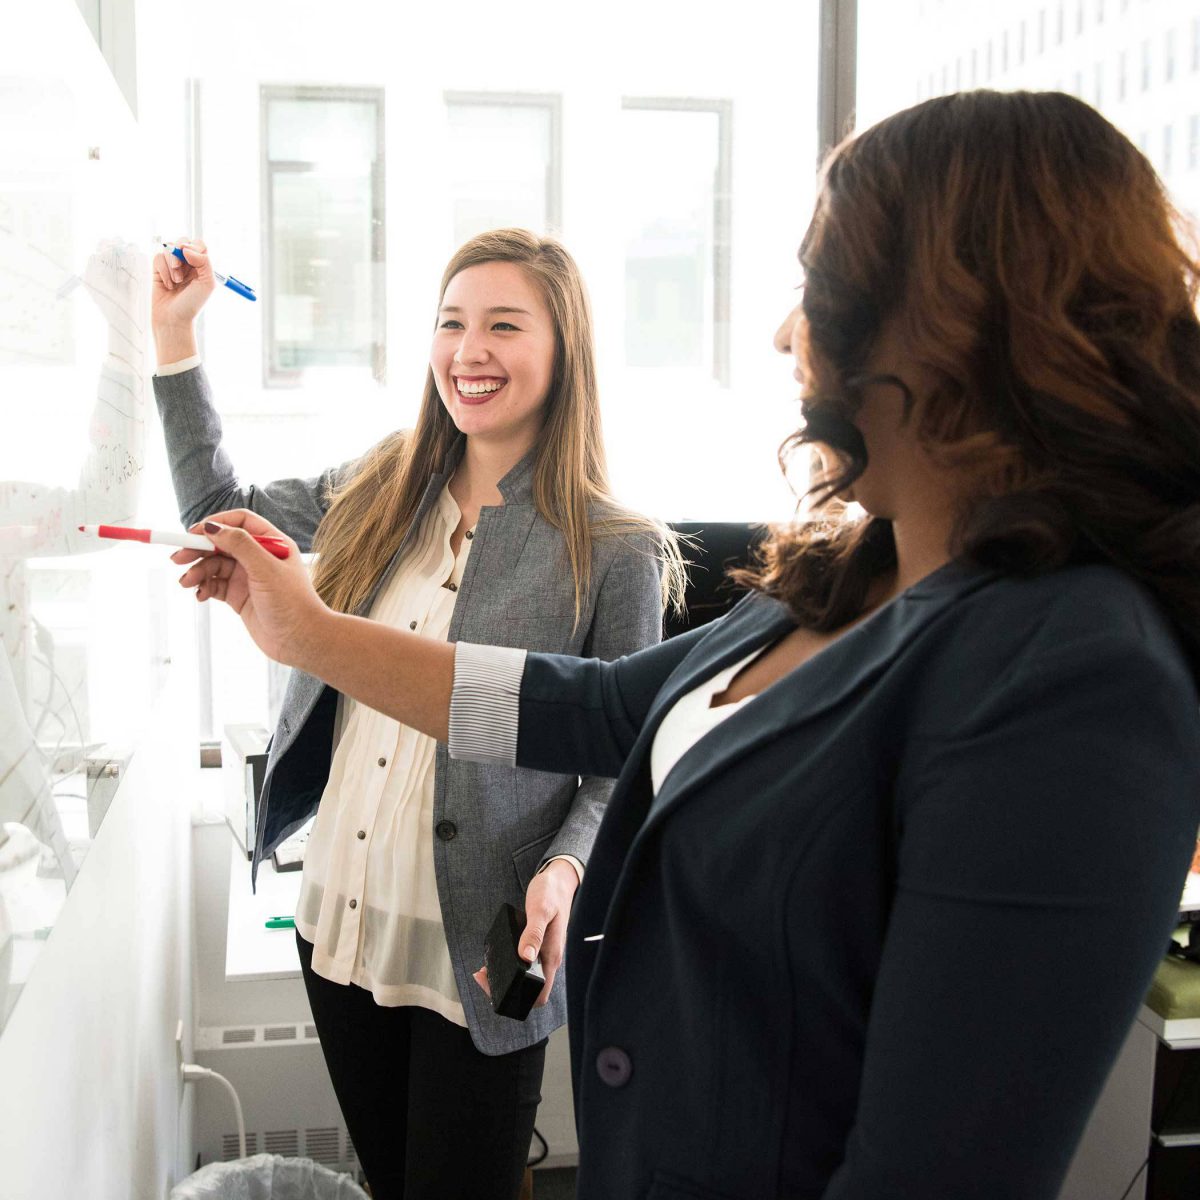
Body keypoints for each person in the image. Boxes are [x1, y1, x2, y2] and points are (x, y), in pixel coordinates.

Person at [173, 92, 1200, 1200]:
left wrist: (557, 863)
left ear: (954, 317)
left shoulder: (1074, 676)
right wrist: (312, 634)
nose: (781, 332)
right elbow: (598, 705)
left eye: (817, 286)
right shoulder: (838, 579)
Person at [150, 228, 683, 1200]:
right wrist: (174, 338)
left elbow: (623, 756)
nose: (468, 352)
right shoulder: (382, 482)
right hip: (341, 919)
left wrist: (566, 870)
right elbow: (219, 508)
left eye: (503, 326)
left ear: (564, 350)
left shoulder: (615, 547)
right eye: (451, 323)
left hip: (485, 947)